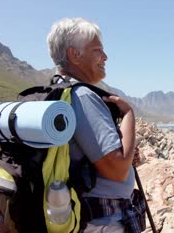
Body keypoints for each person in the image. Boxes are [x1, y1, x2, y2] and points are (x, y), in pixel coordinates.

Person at [47, 18, 142, 233]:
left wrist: (127, 155)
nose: (105, 57)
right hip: (104, 222)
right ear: (75, 55)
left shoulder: (59, 91)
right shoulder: (82, 96)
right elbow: (117, 170)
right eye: (98, 50)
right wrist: (128, 114)